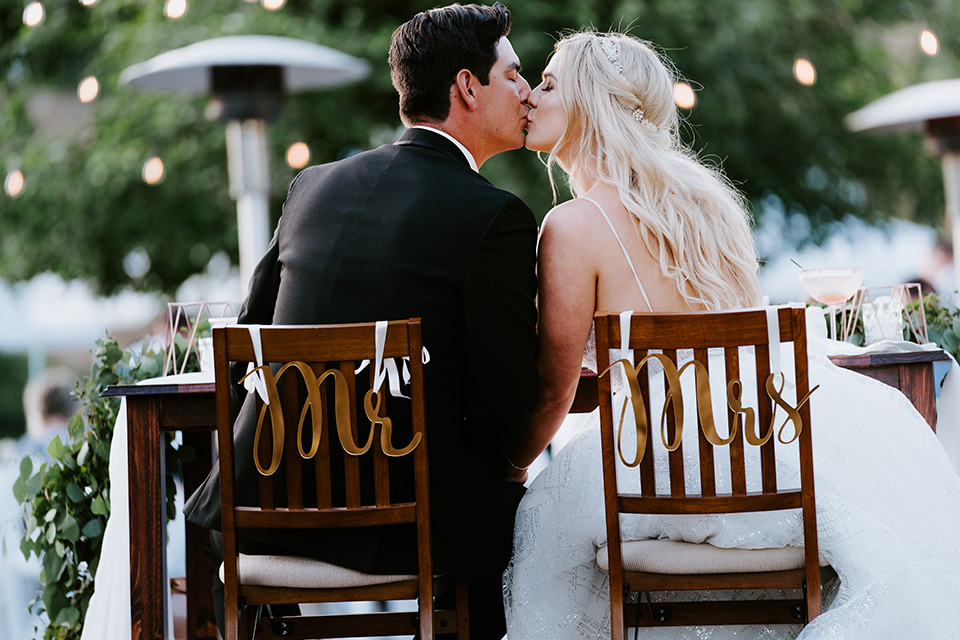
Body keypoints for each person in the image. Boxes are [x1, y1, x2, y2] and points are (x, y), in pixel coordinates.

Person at [503, 30, 960, 639]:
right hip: (756, 453)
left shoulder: (571, 225)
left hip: (655, 465)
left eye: (550, 83)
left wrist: (509, 467)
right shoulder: (709, 207)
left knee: (544, 529)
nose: (532, 95)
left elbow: (554, 392)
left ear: (589, 101)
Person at [183, 4, 539, 639]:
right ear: (466, 87)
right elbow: (505, 402)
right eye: (513, 75)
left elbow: (253, 339)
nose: (526, 90)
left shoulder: (311, 186)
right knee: (527, 523)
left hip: (265, 505)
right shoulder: (495, 217)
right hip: (407, 522)